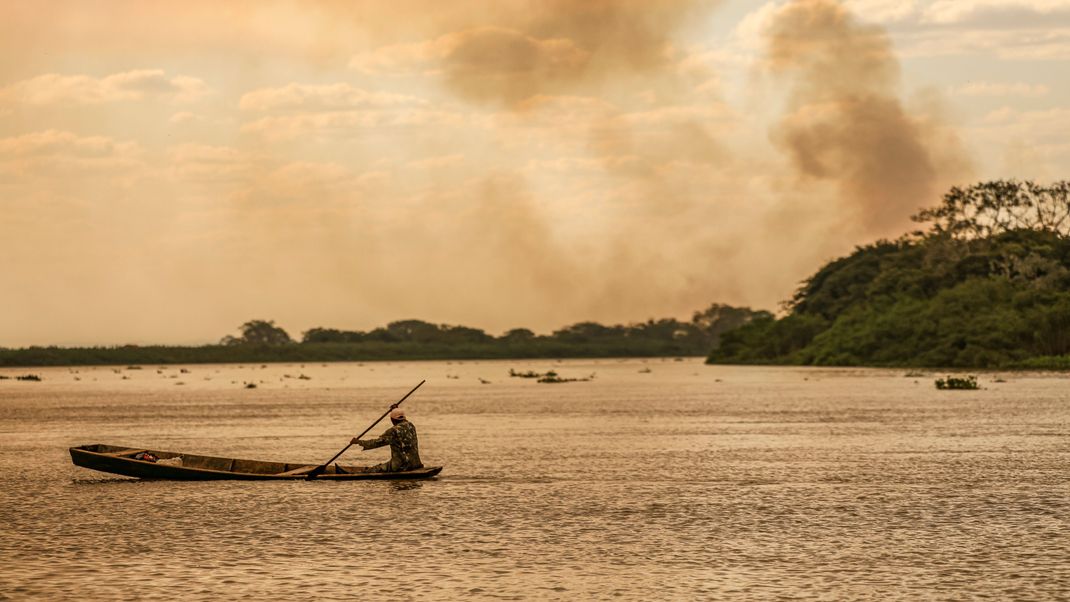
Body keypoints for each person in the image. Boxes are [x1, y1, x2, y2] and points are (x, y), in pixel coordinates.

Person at [353, 407, 423, 472]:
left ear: (392, 419)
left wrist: (359, 442)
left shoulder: (393, 431)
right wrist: (395, 410)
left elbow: (377, 443)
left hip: (401, 466)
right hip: (415, 464)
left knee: (373, 470)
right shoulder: (411, 425)